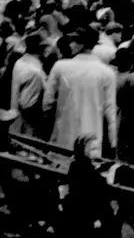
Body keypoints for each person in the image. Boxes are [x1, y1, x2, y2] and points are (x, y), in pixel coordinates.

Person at [43, 26, 118, 154]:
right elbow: (110, 112)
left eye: (73, 41)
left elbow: (47, 103)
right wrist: (113, 141)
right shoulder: (107, 72)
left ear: (80, 45)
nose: (71, 45)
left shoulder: (60, 66)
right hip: (92, 138)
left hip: (63, 134)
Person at [62, 135, 113, 238]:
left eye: (97, 149)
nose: (97, 152)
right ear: (85, 151)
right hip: (87, 217)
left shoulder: (76, 166)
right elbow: (95, 194)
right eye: (93, 149)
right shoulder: (88, 172)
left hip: (77, 213)